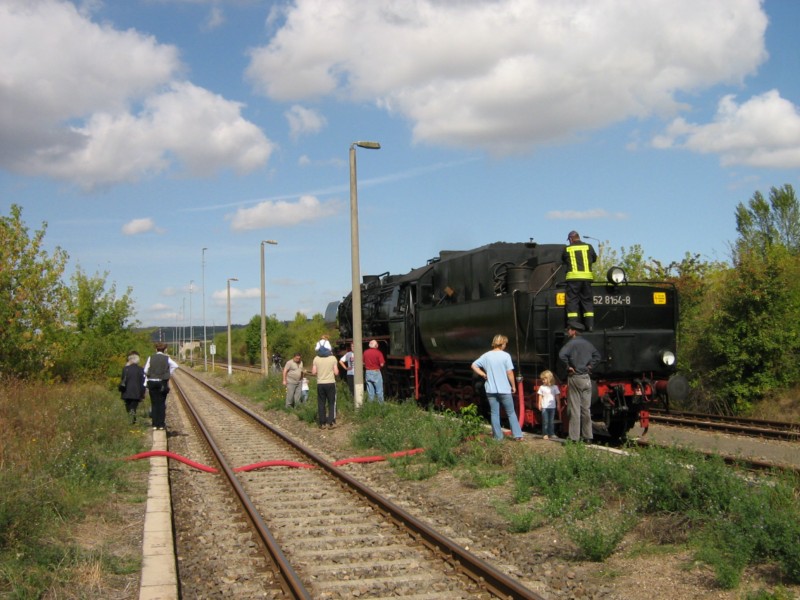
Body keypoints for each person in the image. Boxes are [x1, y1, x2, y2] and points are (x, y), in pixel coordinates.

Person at [471, 334, 524, 441]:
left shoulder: (486, 356)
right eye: (505, 344)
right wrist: (513, 386)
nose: (505, 345)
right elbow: (509, 373)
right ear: (502, 343)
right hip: (504, 389)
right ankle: (518, 435)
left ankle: (498, 437)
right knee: (511, 412)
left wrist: (483, 374)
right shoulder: (506, 356)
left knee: (495, 413)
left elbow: (474, 365)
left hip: (491, 390)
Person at [557, 322, 600, 442]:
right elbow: (597, 356)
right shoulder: (588, 344)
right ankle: (588, 437)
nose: (568, 331)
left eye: (569, 329)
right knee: (586, 409)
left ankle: (574, 437)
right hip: (587, 378)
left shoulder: (571, 344)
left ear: (574, 331)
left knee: (574, 408)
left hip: (575, 377)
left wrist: (568, 367)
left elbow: (561, 355)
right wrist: (590, 367)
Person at [562, 230, 598, 331]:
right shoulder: (589, 247)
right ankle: (590, 326)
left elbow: (564, 259)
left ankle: (573, 325)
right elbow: (594, 258)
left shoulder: (567, 249)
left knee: (572, 301)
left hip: (573, 279)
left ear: (570, 239)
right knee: (587, 301)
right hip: (587, 279)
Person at [144, 342, 179, 431]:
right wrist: (168, 374)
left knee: (154, 403)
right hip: (161, 383)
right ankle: (161, 424)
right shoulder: (166, 358)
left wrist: (151, 374)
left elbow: (145, 370)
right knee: (161, 403)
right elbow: (175, 365)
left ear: (156, 349)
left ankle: (155, 424)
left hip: (151, 382)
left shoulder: (151, 358)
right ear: (165, 350)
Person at [312, 345, 339, 428]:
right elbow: (336, 372)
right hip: (330, 383)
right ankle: (330, 422)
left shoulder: (316, 358)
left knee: (321, 403)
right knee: (331, 402)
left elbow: (313, 372)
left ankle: (322, 423)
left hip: (320, 383)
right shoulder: (333, 358)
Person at [119, 351, 146, 424]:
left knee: (128, 406)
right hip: (136, 392)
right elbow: (142, 382)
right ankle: (132, 419)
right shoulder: (140, 369)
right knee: (133, 406)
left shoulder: (125, 369)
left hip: (126, 391)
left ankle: (131, 419)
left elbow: (122, 380)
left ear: (129, 360)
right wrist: (143, 393)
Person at [537, 370, 560, 440]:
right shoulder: (542, 387)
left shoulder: (555, 387)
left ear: (549, 378)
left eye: (544, 379)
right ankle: (545, 433)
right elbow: (540, 396)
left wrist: (558, 404)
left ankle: (551, 433)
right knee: (545, 421)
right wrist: (539, 404)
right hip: (545, 407)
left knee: (551, 421)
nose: (543, 381)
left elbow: (557, 396)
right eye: (542, 379)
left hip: (552, 407)